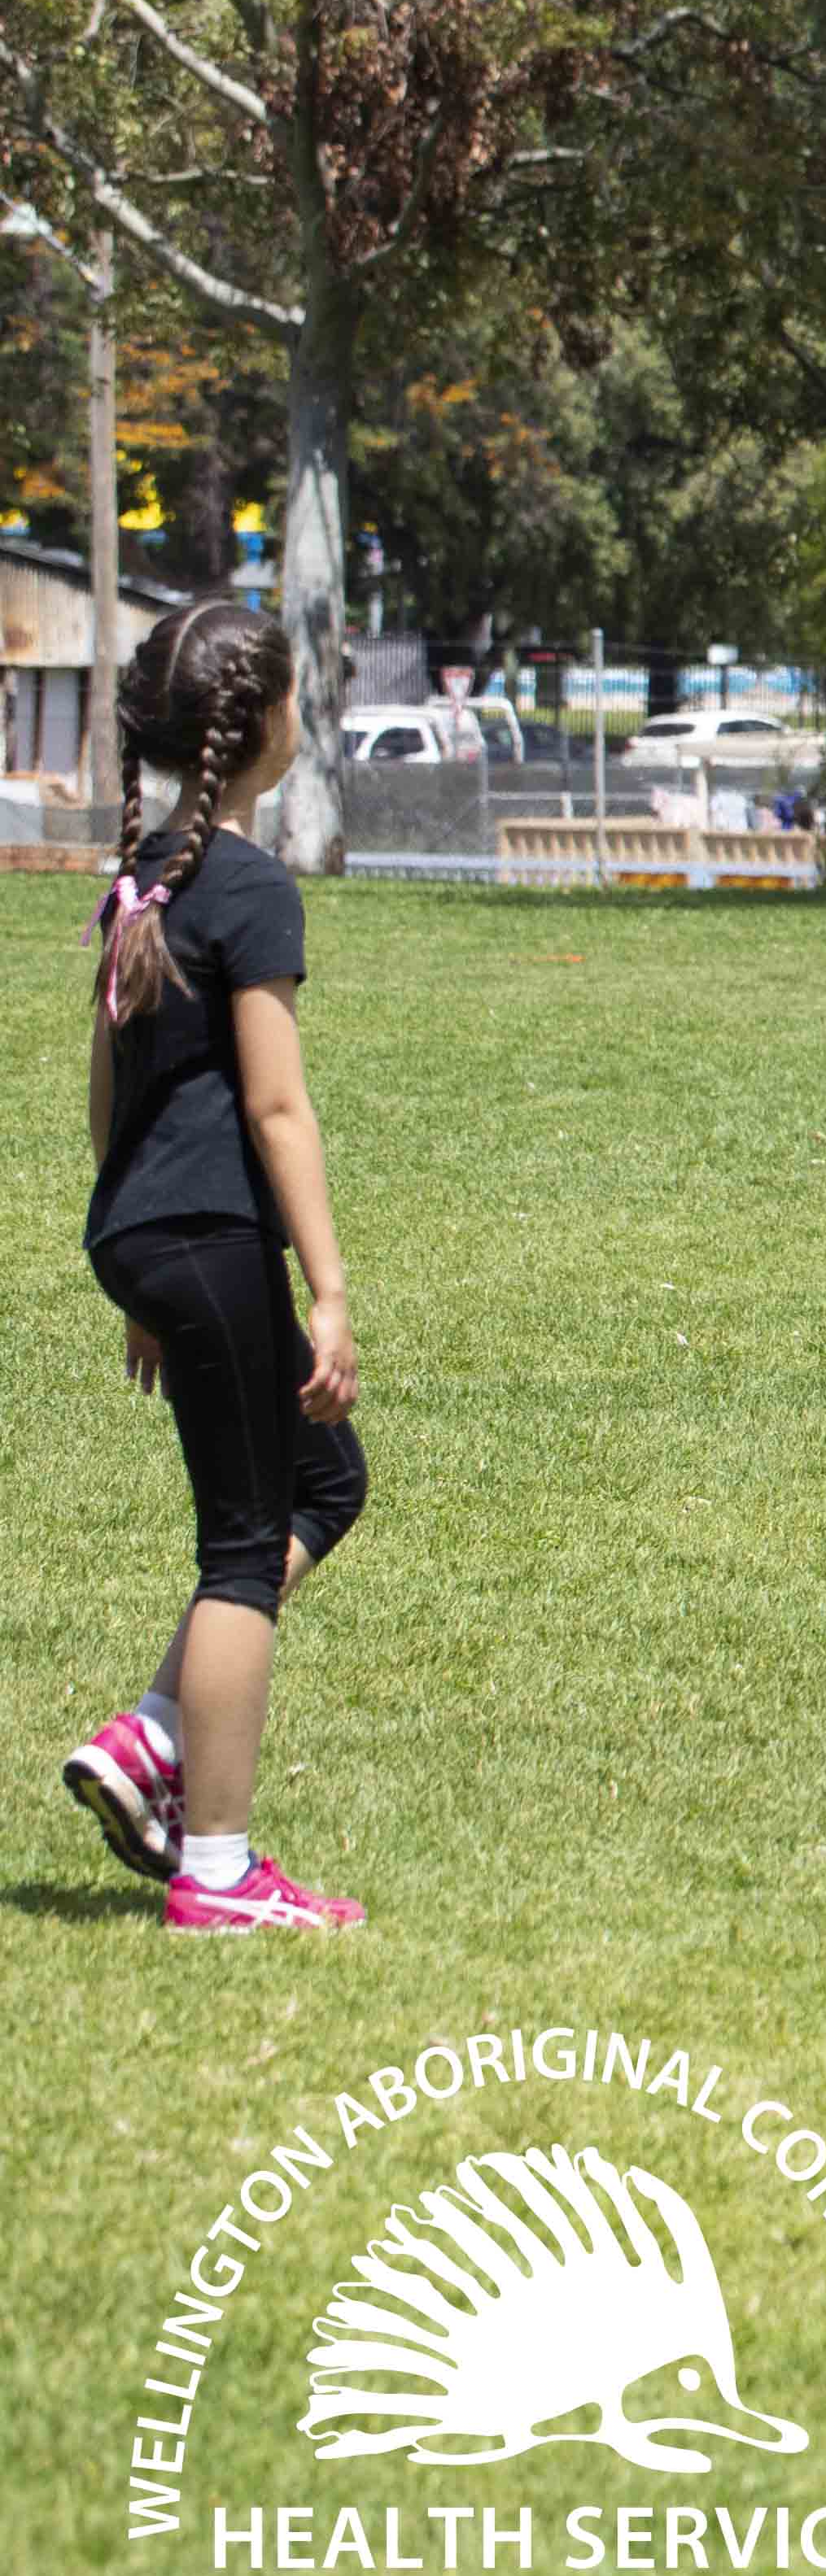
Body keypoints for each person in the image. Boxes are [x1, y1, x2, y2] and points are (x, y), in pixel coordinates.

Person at [54, 603, 374, 1933]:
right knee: (244, 1550)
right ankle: (222, 1872)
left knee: (325, 1482)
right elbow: (276, 1109)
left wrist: (141, 1276)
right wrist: (332, 1287)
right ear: (263, 730)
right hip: (207, 1234)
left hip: (145, 1227)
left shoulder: (146, 878)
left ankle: (152, 1733)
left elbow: (105, 1083)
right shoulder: (247, 887)